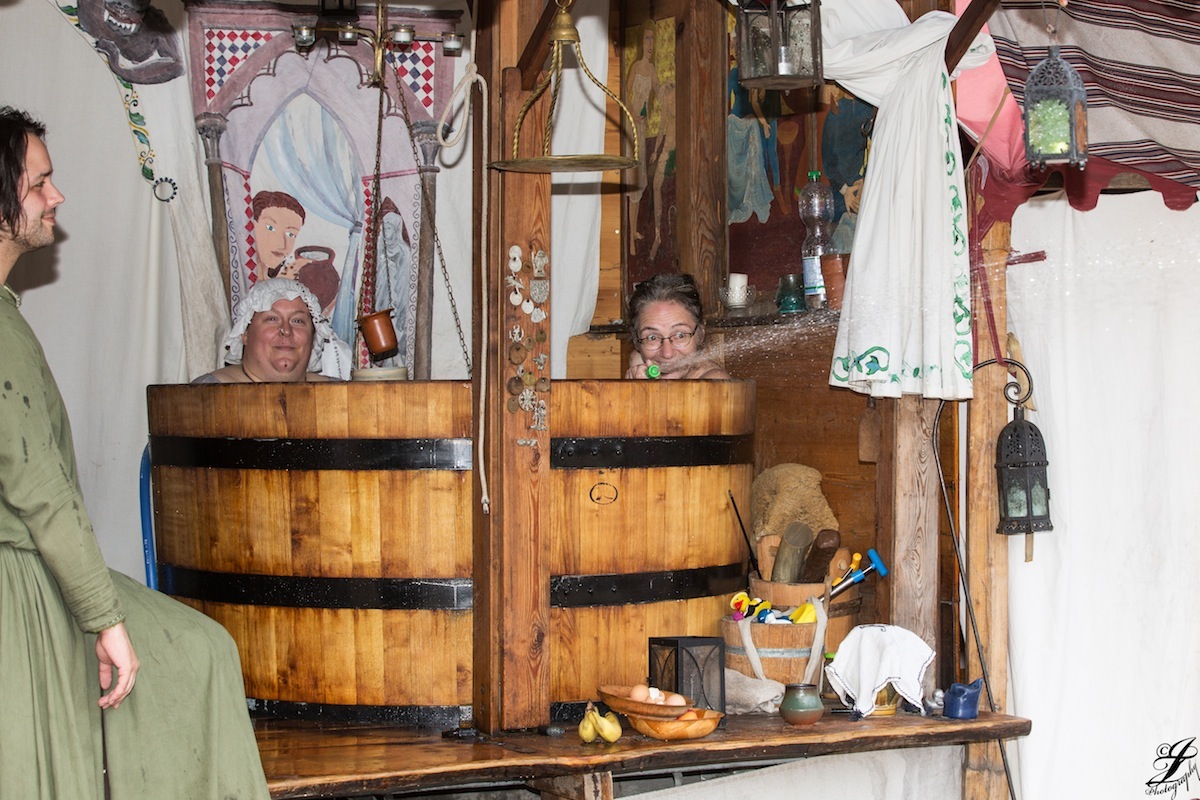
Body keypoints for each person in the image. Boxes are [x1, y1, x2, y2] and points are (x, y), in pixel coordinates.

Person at [0, 108, 270, 798]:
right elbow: (41, 491)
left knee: (201, 648)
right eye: (39, 183)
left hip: (32, 568)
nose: (56, 196)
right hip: (18, 586)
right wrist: (104, 619)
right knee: (198, 655)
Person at [191, 277, 351, 383]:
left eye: (297, 321)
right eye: (272, 319)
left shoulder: (340, 397)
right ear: (244, 334)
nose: (286, 330)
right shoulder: (206, 395)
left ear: (314, 336)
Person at [625, 272, 732, 380]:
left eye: (680, 335)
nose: (667, 354)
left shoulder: (714, 381)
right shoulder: (639, 365)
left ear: (700, 334)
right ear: (636, 340)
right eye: (652, 337)